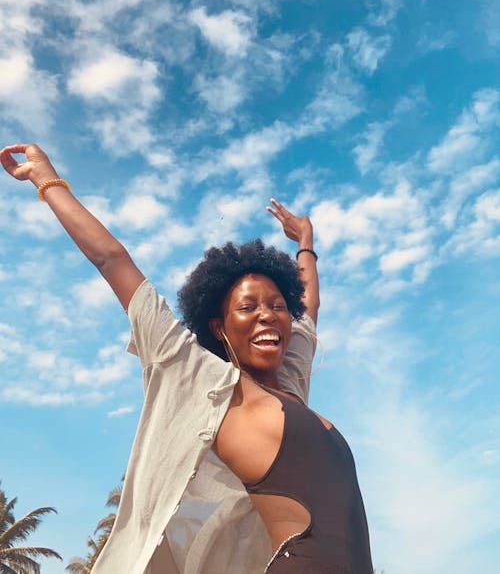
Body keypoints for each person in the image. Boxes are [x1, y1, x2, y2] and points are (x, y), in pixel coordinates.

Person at [1, 143, 373, 574]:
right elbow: (112, 259)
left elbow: (309, 307)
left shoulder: (291, 382)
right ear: (218, 326)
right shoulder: (205, 381)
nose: (267, 316)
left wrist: (306, 241)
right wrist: (46, 180)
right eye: (248, 308)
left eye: (276, 305)